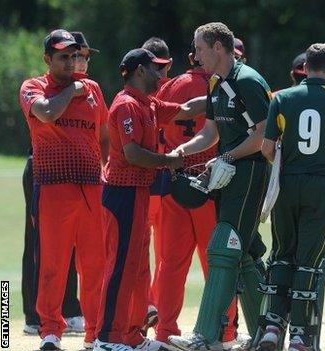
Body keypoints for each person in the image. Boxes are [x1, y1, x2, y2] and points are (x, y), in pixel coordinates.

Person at [256, 43, 325, 351]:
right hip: (322, 187)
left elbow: (267, 148)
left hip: (287, 184)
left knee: (282, 252)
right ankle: (301, 334)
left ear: (304, 67)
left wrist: (285, 165)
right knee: (309, 259)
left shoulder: (281, 98)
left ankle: (272, 324)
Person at [93, 48, 207, 351]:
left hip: (138, 194)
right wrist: (168, 160)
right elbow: (132, 155)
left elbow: (187, 108)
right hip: (122, 195)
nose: (161, 74)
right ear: (140, 71)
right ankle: (106, 337)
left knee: (138, 269)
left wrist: (224, 97)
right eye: (155, 69)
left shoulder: (149, 104)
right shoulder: (127, 105)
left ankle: (130, 334)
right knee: (120, 267)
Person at [167, 22, 270, 350]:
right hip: (228, 172)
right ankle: (266, 334)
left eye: (199, 48)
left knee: (223, 247)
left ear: (218, 47)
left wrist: (227, 155)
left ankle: (204, 336)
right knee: (247, 253)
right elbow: (210, 132)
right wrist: (183, 150)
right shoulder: (215, 83)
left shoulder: (248, 81)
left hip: (250, 172)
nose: (195, 55)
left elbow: (265, 135)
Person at [18, 29, 109, 350]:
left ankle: (95, 333)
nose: (71, 62)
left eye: (74, 56)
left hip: (91, 187)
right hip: (53, 188)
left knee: (95, 264)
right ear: (47, 59)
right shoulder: (33, 87)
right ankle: (51, 331)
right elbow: (46, 112)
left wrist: (106, 168)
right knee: (53, 263)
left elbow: (104, 134)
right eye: (63, 56)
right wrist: (71, 91)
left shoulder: (94, 89)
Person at [153, 40, 244, 349]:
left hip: (174, 181)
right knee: (219, 261)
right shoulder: (226, 85)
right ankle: (225, 331)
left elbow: (157, 128)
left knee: (170, 263)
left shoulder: (172, 85)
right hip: (213, 184)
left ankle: (165, 332)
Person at [139, 36, 174, 336]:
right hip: (161, 180)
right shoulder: (174, 87)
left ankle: (150, 307)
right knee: (163, 255)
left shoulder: (140, 92)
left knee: (150, 253)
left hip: (152, 180)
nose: (157, 74)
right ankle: (154, 309)